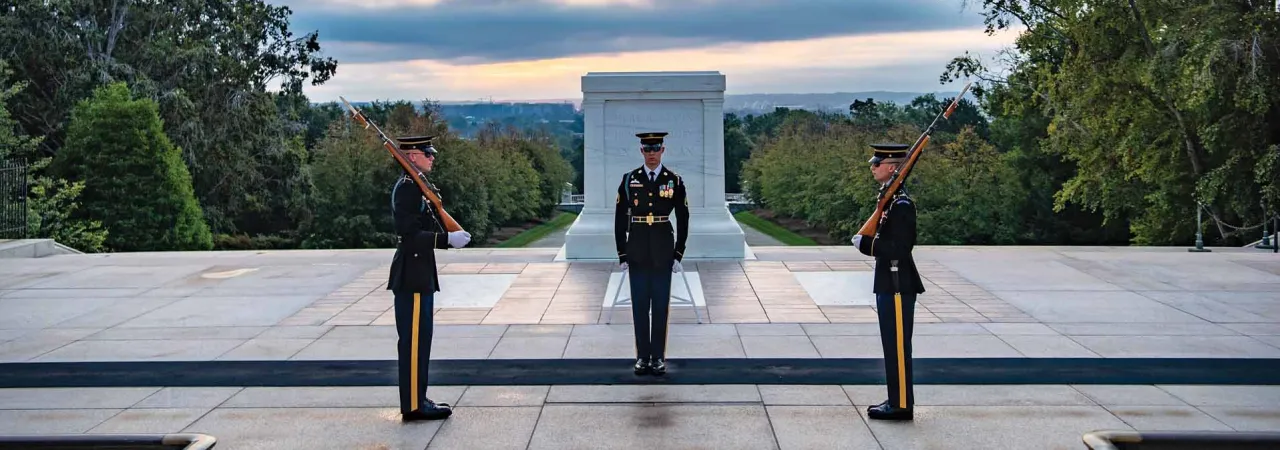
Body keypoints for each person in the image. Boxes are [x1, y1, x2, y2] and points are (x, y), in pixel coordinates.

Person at [387, 135, 471, 421]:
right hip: (411, 275)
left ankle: (418, 398)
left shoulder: (417, 186)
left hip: (419, 273)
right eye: (427, 153)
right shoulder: (407, 189)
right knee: (413, 344)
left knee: (421, 341)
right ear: (412, 156)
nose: (432, 157)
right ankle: (413, 405)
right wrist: (446, 240)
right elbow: (409, 236)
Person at [852, 142, 925, 421]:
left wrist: (867, 245)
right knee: (892, 346)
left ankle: (901, 405)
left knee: (897, 347)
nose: (873, 167)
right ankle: (897, 398)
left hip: (897, 284)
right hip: (889, 282)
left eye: (877, 163)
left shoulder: (901, 205)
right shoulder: (891, 200)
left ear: (893, 168)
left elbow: (901, 248)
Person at [614, 131, 689, 376]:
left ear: (663, 150)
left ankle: (657, 357)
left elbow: (683, 219)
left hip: (662, 249)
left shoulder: (674, 181)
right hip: (637, 249)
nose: (652, 154)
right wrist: (622, 254)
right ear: (642, 151)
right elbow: (619, 219)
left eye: (656, 148)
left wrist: (678, 253)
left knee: (660, 306)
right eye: (647, 149)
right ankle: (642, 357)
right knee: (639, 306)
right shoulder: (630, 179)